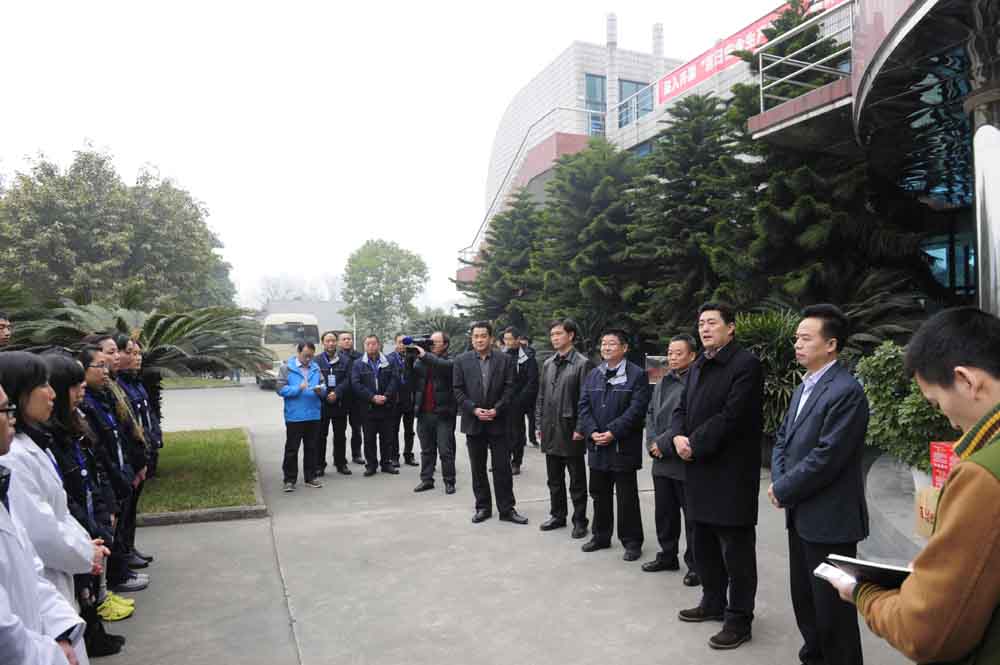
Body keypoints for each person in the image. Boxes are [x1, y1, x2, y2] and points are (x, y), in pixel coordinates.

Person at [825, 307, 1000, 663]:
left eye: (936, 402)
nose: (948, 419)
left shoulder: (984, 475)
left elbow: (925, 632)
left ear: (966, 381)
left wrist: (861, 592)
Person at [768, 305, 869, 665]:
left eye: (806, 338)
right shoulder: (804, 387)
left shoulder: (846, 391)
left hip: (831, 519)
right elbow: (783, 438)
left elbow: (828, 456)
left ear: (831, 344)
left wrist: (784, 488)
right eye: (797, 338)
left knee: (833, 612)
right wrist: (780, 481)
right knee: (806, 601)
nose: (797, 344)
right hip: (801, 514)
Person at [0, 352, 106, 665]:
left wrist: (86, 547)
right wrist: (86, 553)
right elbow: (43, 534)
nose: (52, 394)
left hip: (48, 607)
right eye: (42, 385)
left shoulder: (31, 447)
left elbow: (54, 518)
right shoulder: (15, 458)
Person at [669, 302, 764, 651]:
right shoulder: (698, 365)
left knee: (736, 552)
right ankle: (712, 601)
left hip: (731, 473)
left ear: (731, 327)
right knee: (703, 543)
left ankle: (739, 619)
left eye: (712, 322)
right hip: (698, 469)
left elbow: (732, 417)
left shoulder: (746, 365)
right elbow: (681, 407)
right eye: (701, 324)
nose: (705, 329)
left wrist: (693, 443)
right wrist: (677, 436)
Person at [44, 353, 126, 654]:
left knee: (89, 582)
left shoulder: (75, 422)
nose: (82, 389)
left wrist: (104, 512)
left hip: (91, 514)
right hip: (78, 524)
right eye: (74, 384)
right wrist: (90, 527)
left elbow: (93, 470)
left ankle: (95, 631)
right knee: (80, 588)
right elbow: (63, 499)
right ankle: (91, 635)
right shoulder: (47, 439)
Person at [77, 345, 147, 597]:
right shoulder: (88, 405)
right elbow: (100, 452)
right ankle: (113, 581)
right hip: (106, 481)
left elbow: (124, 434)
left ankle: (120, 570)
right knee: (106, 532)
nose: (107, 367)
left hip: (119, 473)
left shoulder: (106, 395)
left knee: (120, 524)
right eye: (100, 364)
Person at [577, 328, 651, 561]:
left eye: (611, 343)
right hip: (597, 445)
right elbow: (583, 405)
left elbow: (637, 410)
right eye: (604, 343)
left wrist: (613, 432)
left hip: (622, 446)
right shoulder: (594, 373)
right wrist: (592, 431)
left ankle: (632, 541)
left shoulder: (637, 375)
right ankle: (601, 536)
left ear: (624, 348)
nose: (606, 348)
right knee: (599, 493)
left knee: (627, 497)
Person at [453, 321, 527, 525]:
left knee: (502, 468)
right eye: (475, 336)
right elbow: (457, 390)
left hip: (499, 421)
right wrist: (473, 409)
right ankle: (483, 507)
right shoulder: (461, 361)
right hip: (473, 421)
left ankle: (507, 509)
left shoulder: (505, 360)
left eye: (483, 336)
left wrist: (497, 409)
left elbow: (510, 388)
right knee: (477, 468)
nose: (479, 340)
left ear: (491, 338)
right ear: (471, 338)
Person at [643, 334, 699, 586]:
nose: (673, 357)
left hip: (683, 458)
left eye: (679, 353)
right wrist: (651, 442)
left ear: (692, 355)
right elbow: (651, 413)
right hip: (661, 459)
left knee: (692, 517)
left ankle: (696, 565)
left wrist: (662, 443)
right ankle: (667, 555)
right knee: (664, 513)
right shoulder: (663, 379)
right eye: (670, 353)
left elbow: (687, 418)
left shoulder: (696, 381)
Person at [535, 318, 592, 538]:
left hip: (570, 429)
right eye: (552, 334)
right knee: (554, 478)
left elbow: (586, 400)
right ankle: (557, 515)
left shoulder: (582, 363)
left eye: (559, 333)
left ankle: (580, 520)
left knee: (576, 480)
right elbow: (541, 396)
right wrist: (538, 423)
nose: (555, 338)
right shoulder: (548, 363)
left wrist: (581, 427)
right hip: (549, 428)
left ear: (571, 335)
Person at [114, 336, 161, 569]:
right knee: (124, 509)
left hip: (143, 453)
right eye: (130, 352)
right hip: (131, 459)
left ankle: (129, 547)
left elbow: (147, 417)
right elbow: (128, 427)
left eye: (138, 353)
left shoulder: (135, 383)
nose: (137, 357)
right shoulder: (119, 387)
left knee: (132, 509)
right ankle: (123, 553)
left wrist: (155, 440)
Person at [410, 332, 458, 494]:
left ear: (445, 344)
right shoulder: (421, 360)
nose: (431, 344)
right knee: (426, 450)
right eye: (430, 341)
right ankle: (427, 480)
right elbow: (410, 378)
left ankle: (449, 481)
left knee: (445, 450)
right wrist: (409, 359)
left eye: (435, 342)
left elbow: (444, 367)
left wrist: (425, 356)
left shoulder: (451, 359)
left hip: (443, 413)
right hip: (424, 412)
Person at [276, 342, 324, 491]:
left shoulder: (316, 368)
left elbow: (323, 386)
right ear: (298, 353)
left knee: (312, 448)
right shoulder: (286, 368)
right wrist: (298, 388)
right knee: (292, 449)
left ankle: (311, 477)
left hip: (313, 414)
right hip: (295, 416)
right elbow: (280, 389)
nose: (308, 359)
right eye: (305, 356)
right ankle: (289, 480)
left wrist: (321, 391)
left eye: (311, 356)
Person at [350, 335, 399, 477]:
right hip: (368, 407)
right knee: (369, 438)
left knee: (387, 438)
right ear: (364, 346)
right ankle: (371, 465)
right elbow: (356, 383)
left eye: (373, 343)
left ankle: (386, 464)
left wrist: (386, 396)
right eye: (368, 344)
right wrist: (372, 397)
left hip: (386, 405)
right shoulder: (358, 363)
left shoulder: (389, 361)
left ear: (379, 345)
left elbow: (395, 380)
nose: (371, 346)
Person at [315, 331, 353, 476]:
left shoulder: (345, 360)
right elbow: (314, 380)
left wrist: (337, 393)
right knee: (320, 436)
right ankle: (319, 465)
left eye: (333, 341)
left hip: (340, 403)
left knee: (340, 436)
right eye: (327, 341)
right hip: (322, 404)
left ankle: (340, 463)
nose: (330, 343)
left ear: (337, 342)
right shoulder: (316, 361)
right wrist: (326, 395)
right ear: (323, 343)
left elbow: (348, 379)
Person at [502, 327, 537, 476]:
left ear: (518, 339)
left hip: (518, 402)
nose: (507, 342)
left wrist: (520, 401)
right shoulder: (501, 355)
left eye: (510, 339)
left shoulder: (528, 357)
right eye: (505, 339)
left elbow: (532, 381)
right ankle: (503, 461)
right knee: (503, 433)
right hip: (503, 401)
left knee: (517, 433)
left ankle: (516, 462)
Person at [387, 334, 417, 467]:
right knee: (393, 430)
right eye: (400, 342)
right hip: (395, 399)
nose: (403, 345)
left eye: (405, 342)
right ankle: (394, 457)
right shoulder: (389, 358)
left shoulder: (414, 357)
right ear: (395, 343)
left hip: (409, 399)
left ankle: (408, 455)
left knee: (409, 430)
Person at [337, 332, 365, 465]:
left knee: (357, 429)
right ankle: (339, 458)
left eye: (349, 339)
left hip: (356, 399)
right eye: (344, 339)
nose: (347, 341)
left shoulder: (360, 356)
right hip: (341, 398)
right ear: (339, 342)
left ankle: (357, 454)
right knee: (340, 431)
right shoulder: (335, 357)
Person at [519, 334, 539, 447]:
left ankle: (530, 438)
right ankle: (529, 439)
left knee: (530, 417)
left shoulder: (529, 354)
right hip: (526, 392)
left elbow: (533, 377)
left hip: (528, 392)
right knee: (528, 418)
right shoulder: (528, 352)